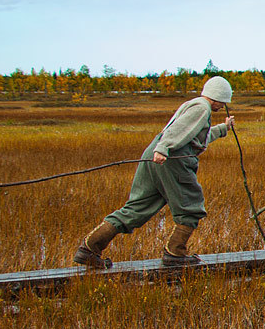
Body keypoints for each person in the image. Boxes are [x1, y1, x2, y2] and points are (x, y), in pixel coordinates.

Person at [71, 76, 236, 269]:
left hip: (155, 155)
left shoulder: (193, 104)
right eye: (224, 101)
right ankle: (175, 253)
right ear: (218, 97)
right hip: (170, 159)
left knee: (137, 207)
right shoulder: (202, 108)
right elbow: (177, 131)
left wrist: (224, 128)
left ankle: (89, 248)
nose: (224, 105)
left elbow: (193, 137)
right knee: (191, 206)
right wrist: (164, 148)